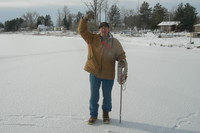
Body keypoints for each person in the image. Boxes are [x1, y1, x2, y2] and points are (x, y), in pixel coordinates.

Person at [77, 12, 127, 125]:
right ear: (99, 30)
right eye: (101, 28)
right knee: (94, 95)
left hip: (108, 74)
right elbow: (82, 31)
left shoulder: (115, 42)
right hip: (94, 72)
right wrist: (84, 19)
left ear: (108, 30)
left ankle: (106, 114)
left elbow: (121, 55)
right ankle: (93, 115)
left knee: (107, 96)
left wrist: (122, 61)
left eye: (106, 28)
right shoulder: (92, 38)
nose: (103, 30)